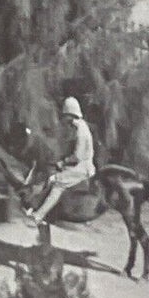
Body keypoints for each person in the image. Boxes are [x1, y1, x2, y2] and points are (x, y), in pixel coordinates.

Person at [26, 97, 95, 226]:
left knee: (57, 182)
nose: (65, 120)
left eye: (66, 116)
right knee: (52, 177)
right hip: (80, 165)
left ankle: (38, 216)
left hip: (83, 167)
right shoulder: (80, 126)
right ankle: (38, 207)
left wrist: (62, 163)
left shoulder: (80, 130)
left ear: (71, 115)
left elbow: (78, 156)